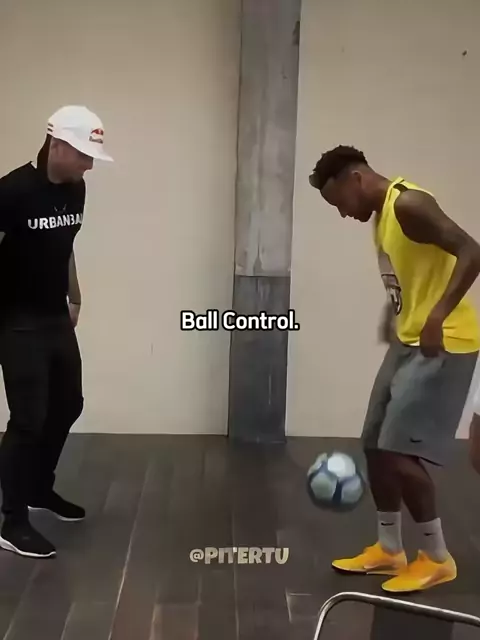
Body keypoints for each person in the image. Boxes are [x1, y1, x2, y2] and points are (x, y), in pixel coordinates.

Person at [309, 145, 480, 593]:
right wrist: (395, 315)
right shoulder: (382, 216)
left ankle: (437, 558)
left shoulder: (408, 204)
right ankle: (389, 549)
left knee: (400, 454)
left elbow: (471, 251)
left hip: (445, 342)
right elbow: (413, 276)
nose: (343, 214)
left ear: (356, 179)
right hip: (409, 339)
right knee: (374, 443)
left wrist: (438, 315)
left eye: (340, 203)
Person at [0, 105, 113, 558]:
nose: (89, 166)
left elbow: (66, 246)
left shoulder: (76, 189)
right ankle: (12, 521)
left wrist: (75, 296)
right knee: (27, 419)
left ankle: (35, 487)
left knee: (68, 403)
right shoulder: (12, 192)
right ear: (58, 145)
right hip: (15, 319)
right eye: (84, 155)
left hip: (53, 315)